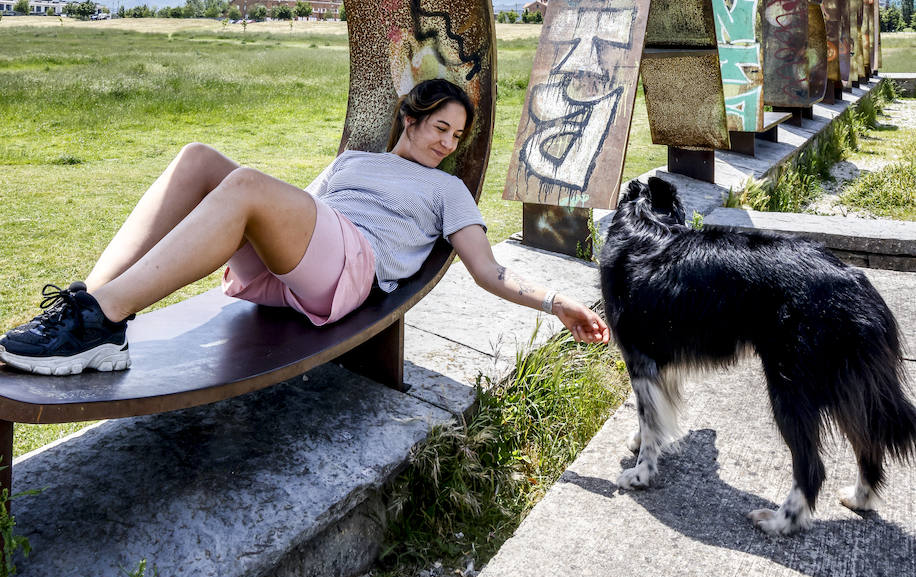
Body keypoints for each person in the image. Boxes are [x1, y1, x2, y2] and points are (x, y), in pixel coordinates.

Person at [0, 78, 609, 374]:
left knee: (245, 183)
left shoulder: (448, 190)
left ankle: (97, 323)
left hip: (350, 271)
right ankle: (90, 313)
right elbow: (302, 208)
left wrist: (556, 303)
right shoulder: (355, 160)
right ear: (409, 118)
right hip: (297, 263)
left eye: (455, 137)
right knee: (198, 158)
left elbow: (488, 269)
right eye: (438, 128)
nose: (446, 145)